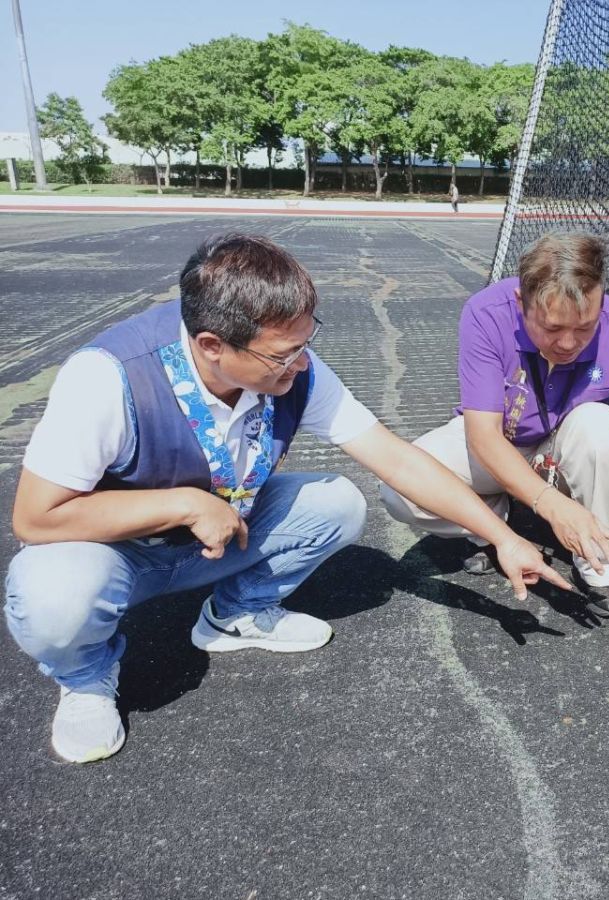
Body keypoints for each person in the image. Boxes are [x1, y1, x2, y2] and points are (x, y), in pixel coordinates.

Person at [4, 233, 566, 764]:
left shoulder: (294, 367)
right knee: (53, 595)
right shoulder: (108, 379)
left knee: (339, 503)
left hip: (226, 536)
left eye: (305, 343)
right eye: (283, 355)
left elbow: (394, 458)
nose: (300, 365)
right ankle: (85, 680)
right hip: (116, 553)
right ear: (211, 345)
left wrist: (503, 537)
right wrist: (184, 504)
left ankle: (234, 615)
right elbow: (34, 517)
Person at [383, 232, 609, 618]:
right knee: (401, 490)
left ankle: (601, 565)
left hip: (568, 449)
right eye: (552, 328)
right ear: (522, 302)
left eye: (585, 327)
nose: (568, 343)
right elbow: (482, 434)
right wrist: (548, 504)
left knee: (599, 426)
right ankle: (500, 530)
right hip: (505, 441)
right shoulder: (487, 313)